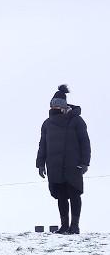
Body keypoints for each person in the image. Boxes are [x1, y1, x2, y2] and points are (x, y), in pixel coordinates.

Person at [37, 84, 91, 234]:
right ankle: (64, 226)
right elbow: (43, 144)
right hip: (54, 165)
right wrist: (40, 163)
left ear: (64, 107)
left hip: (73, 165)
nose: (54, 111)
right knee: (61, 196)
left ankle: (75, 226)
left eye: (57, 108)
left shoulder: (77, 121)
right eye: (52, 108)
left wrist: (85, 162)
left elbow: (85, 142)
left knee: (74, 194)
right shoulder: (47, 124)